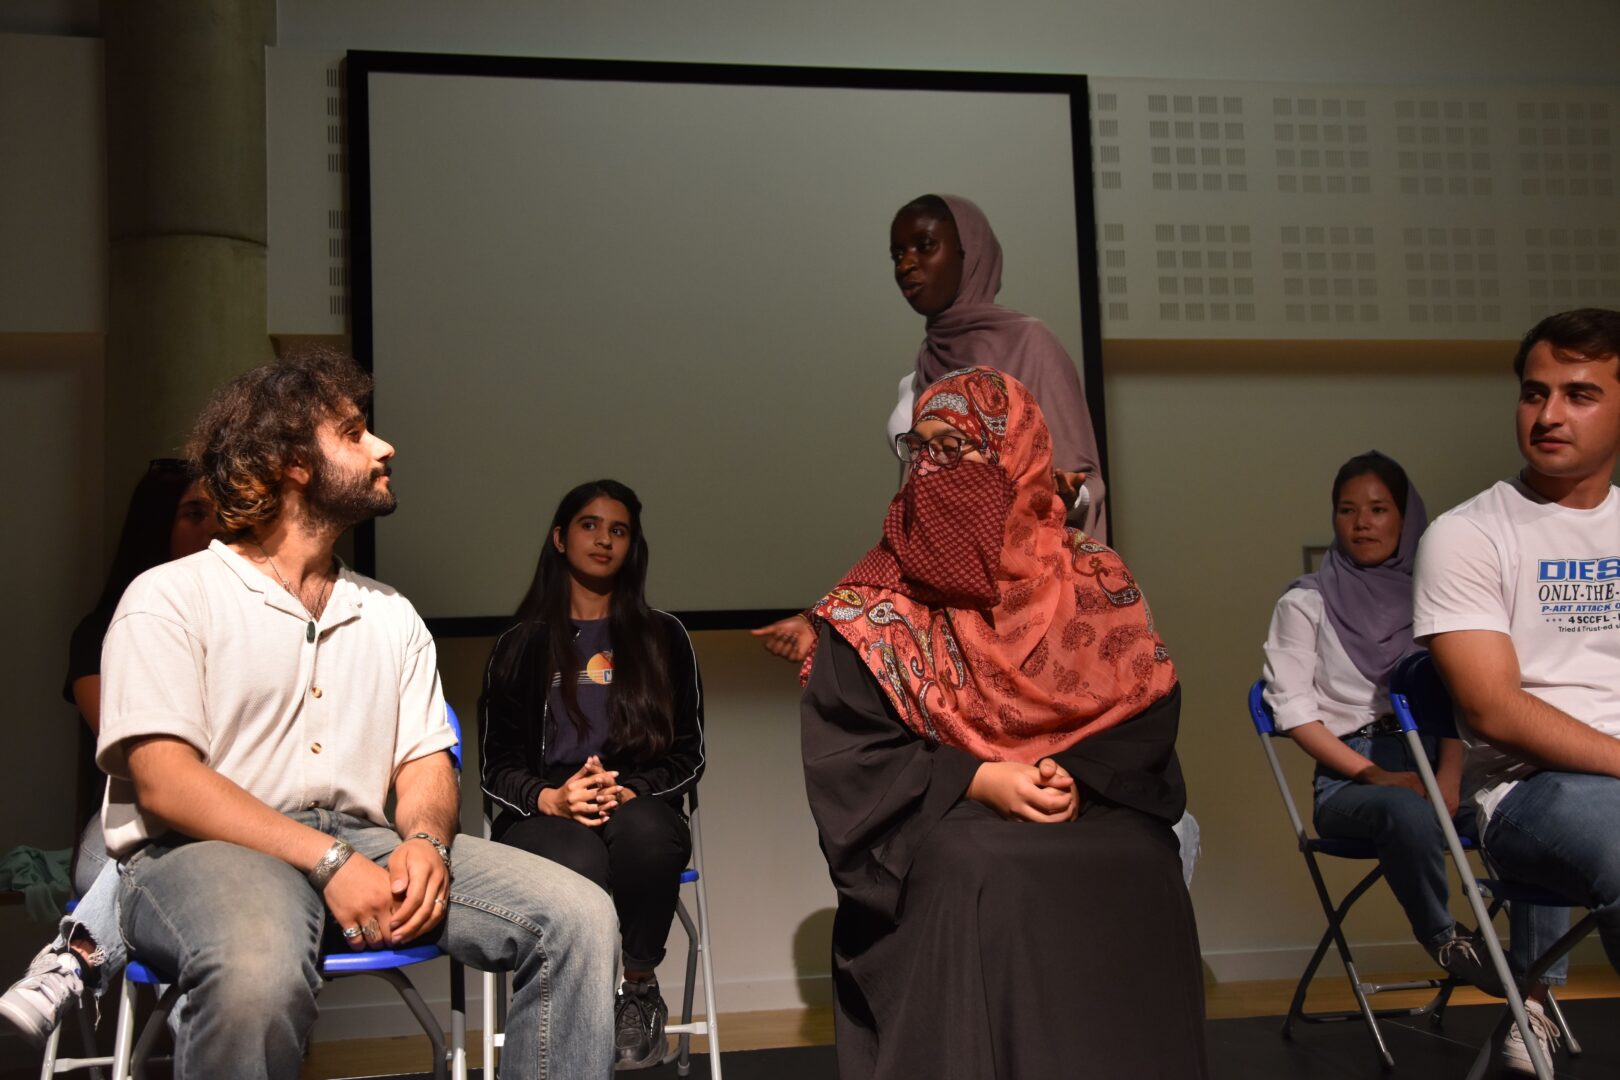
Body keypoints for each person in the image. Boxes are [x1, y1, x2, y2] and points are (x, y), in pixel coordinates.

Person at [86, 346, 619, 1079]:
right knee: (256, 967)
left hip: (364, 843)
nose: (383, 446)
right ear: (289, 462)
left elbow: (426, 760)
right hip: (204, 852)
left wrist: (427, 843)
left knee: (580, 917)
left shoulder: (391, 614)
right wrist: (326, 860)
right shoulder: (171, 595)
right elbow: (166, 785)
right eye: (354, 431)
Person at [799, 367, 1207, 1078]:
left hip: (1080, 798)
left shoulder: (1094, 580)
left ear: (1016, 459)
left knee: (1145, 859)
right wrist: (982, 779)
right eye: (918, 448)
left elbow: (1144, 710)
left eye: (956, 449)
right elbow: (852, 753)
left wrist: (1073, 774)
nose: (931, 468)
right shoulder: (875, 601)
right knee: (974, 868)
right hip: (945, 814)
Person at [756, 193, 1108, 662]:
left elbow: (1085, 483)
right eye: (897, 254)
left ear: (970, 253)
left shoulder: (1031, 345)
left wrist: (1062, 493)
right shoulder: (921, 368)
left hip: (1018, 605)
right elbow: (914, 509)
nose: (907, 264)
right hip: (934, 602)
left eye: (925, 246)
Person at [1416, 308, 1620, 1072]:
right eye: (1535, 394)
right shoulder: (1470, 535)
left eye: (1580, 394)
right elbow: (1491, 708)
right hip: (1527, 794)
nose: (1550, 415)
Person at [1263, 451, 1540, 996]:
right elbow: (1293, 712)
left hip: (1441, 767)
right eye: (1347, 510)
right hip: (1351, 780)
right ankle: (1447, 939)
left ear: (1406, 517)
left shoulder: (1437, 597)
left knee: (1531, 813)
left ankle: (1536, 980)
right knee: (1404, 808)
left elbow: (1455, 704)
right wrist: (1375, 776)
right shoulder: (1305, 603)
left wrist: (1450, 778)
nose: (1362, 523)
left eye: (1378, 509)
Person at [481, 479, 704, 1071]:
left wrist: (634, 789)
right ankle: (577, 998)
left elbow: (689, 755)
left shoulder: (665, 639)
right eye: (589, 525)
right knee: (576, 858)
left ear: (632, 546)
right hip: (546, 813)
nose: (604, 539)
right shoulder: (519, 646)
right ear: (559, 538)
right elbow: (495, 766)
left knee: (644, 834)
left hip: (638, 804)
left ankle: (637, 988)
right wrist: (550, 798)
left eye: (619, 529)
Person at [0, 460, 221, 1044]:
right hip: (126, 832)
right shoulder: (100, 633)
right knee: (172, 844)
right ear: (157, 527)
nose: (214, 529)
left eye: (223, 514)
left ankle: (72, 958)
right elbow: (131, 755)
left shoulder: (236, 624)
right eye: (194, 514)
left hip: (220, 834)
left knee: (209, 877)